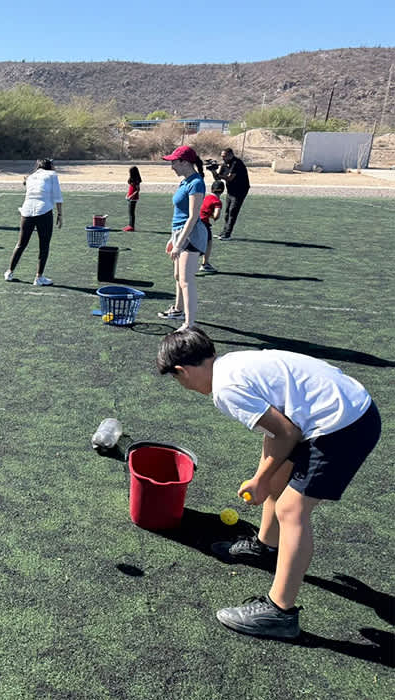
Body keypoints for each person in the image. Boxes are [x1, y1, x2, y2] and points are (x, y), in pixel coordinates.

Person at [157, 328, 381, 639]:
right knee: (277, 479)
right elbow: (275, 428)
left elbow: (287, 433)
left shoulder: (225, 390)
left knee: (291, 510)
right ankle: (266, 547)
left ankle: (280, 612)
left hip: (343, 425)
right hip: (345, 409)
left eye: (176, 379)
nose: (183, 386)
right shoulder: (231, 363)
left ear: (181, 371)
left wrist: (260, 480)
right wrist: (263, 477)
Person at [157, 145, 208, 331]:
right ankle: (178, 310)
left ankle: (189, 323)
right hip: (180, 233)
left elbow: (193, 217)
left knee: (186, 280)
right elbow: (180, 214)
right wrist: (173, 238)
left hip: (191, 235)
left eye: (174, 163)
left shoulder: (196, 183)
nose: (172, 167)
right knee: (178, 276)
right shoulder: (185, 182)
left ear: (185, 162)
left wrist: (179, 244)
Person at [3, 158, 63, 286]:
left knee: (21, 244)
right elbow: (58, 196)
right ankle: (39, 278)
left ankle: (9, 272)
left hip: (26, 211)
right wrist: (60, 214)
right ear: (49, 166)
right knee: (44, 245)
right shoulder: (52, 175)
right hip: (44, 211)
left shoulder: (31, 177)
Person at [210, 147, 250, 240]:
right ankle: (224, 232)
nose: (223, 158)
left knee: (233, 211)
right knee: (227, 212)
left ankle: (228, 234)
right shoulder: (224, 164)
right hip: (231, 190)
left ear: (231, 155)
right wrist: (213, 171)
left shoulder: (237, 163)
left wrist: (218, 175)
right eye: (222, 156)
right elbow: (217, 179)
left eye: (224, 156)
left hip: (240, 191)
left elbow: (230, 178)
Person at [199, 179, 224, 273]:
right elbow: (216, 216)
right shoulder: (217, 201)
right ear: (222, 190)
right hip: (204, 223)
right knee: (208, 243)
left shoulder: (206, 197)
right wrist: (211, 215)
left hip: (195, 220)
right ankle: (205, 264)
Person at [123, 166, 141, 232]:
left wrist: (131, 196)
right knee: (130, 212)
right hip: (130, 197)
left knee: (131, 213)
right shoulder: (131, 178)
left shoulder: (137, 180)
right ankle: (130, 225)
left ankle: (131, 226)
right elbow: (130, 188)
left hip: (134, 198)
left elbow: (138, 190)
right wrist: (127, 195)